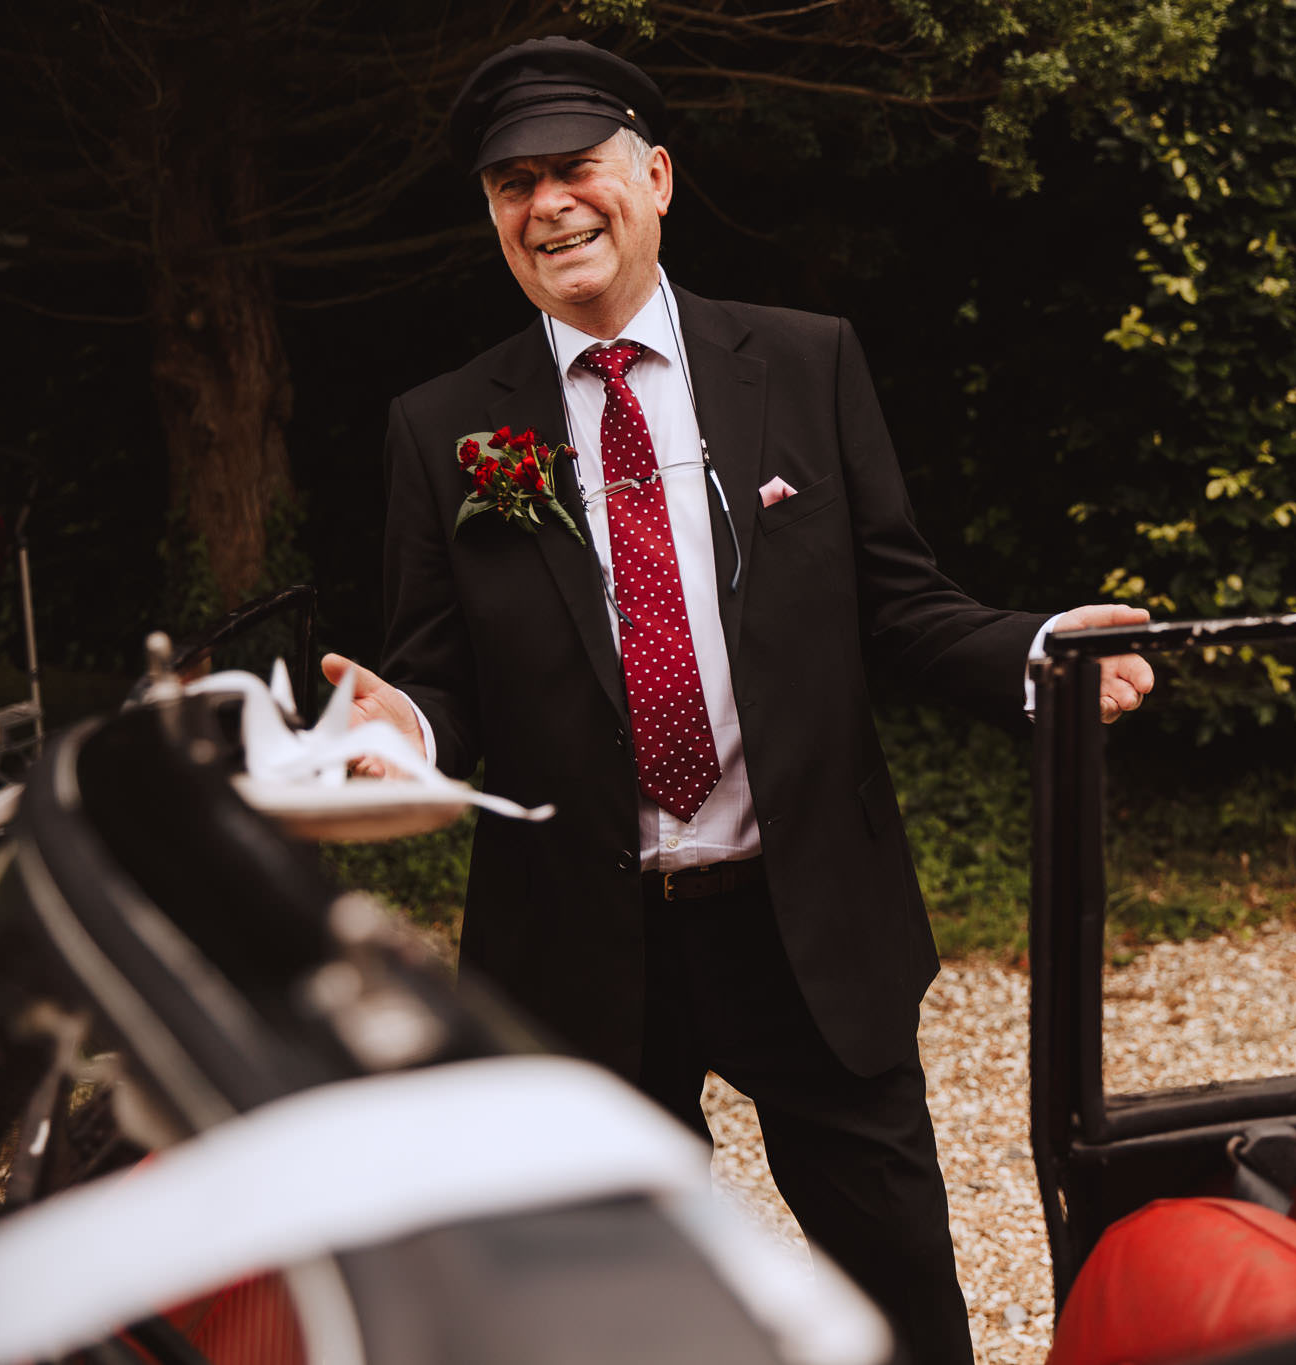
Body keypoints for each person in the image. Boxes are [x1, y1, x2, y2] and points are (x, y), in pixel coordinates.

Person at [321, 36, 1153, 1363]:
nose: (549, 207)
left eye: (576, 170)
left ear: (654, 177)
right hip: (576, 951)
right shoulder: (443, 428)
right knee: (608, 1317)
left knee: (902, 1292)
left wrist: (1038, 647)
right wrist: (404, 733)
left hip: (803, 913)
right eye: (511, 184)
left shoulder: (805, 363)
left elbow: (901, 600)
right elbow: (439, 675)